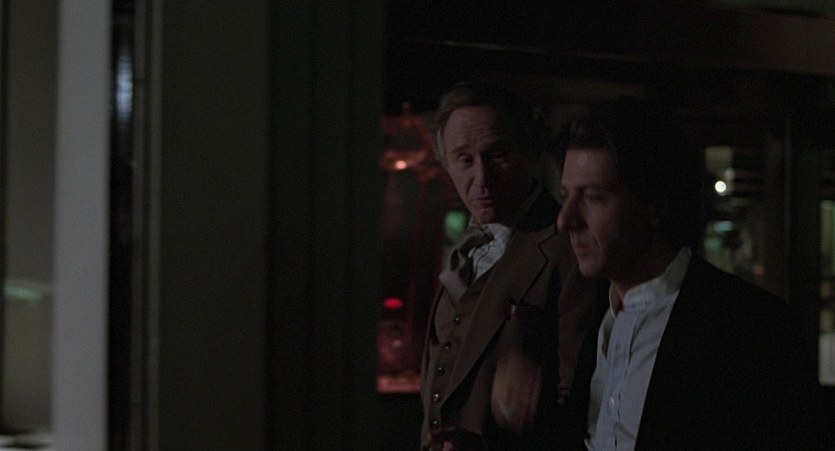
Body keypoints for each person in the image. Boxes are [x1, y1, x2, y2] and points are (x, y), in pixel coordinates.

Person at [555, 97, 822, 450]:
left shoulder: (750, 327)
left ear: (654, 206)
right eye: (566, 196)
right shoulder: (591, 313)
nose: (565, 220)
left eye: (593, 197)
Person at [420, 81, 603, 450]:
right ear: (446, 164)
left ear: (531, 152)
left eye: (498, 154)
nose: (482, 179)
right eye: (464, 159)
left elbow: (581, 406)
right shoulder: (465, 250)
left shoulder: (570, 249)